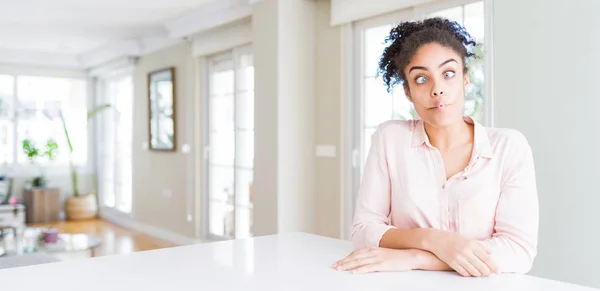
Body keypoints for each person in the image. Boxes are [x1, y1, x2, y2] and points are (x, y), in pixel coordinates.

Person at [332, 17, 539, 277]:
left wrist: (416, 257)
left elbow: (518, 252)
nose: (437, 89)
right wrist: (434, 241)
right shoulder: (390, 139)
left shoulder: (509, 147)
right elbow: (364, 230)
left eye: (448, 74)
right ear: (407, 92)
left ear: (465, 79)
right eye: (421, 79)